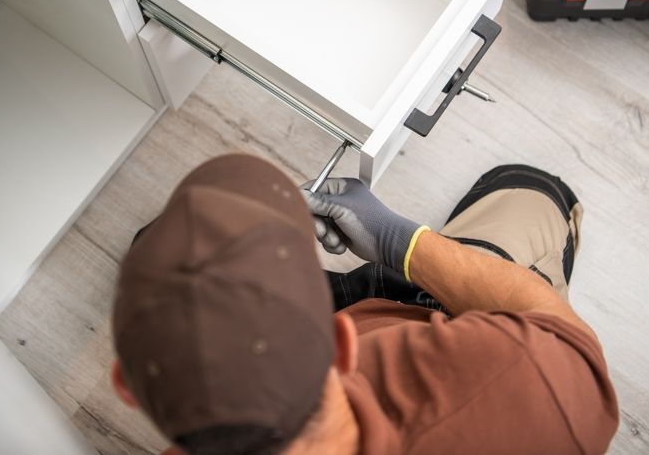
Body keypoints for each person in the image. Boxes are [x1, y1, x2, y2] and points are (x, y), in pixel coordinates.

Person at [111, 154, 618, 455]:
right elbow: (565, 337)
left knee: (161, 254)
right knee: (530, 187)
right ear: (340, 344)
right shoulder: (527, 387)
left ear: (126, 386)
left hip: (357, 317)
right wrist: (402, 242)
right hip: (445, 316)